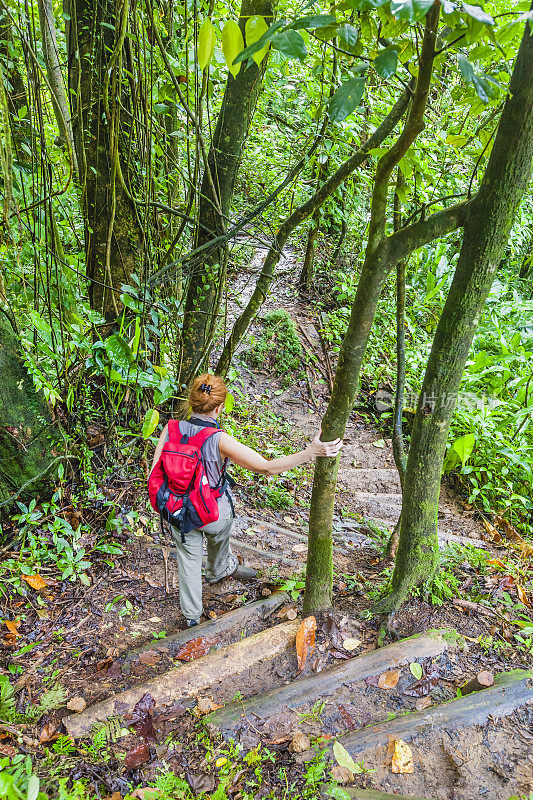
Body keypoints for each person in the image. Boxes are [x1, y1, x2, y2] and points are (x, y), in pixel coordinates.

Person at [150, 373, 343, 627]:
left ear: (191, 401)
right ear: (219, 407)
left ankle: (191, 617)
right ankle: (218, 569)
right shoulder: (219, 440)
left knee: (188, 558)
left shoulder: (169, 429)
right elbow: (267, 467)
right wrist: (311, 452)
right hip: (211, 514)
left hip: (176, 511)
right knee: (222, 517)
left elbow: (155, 473)